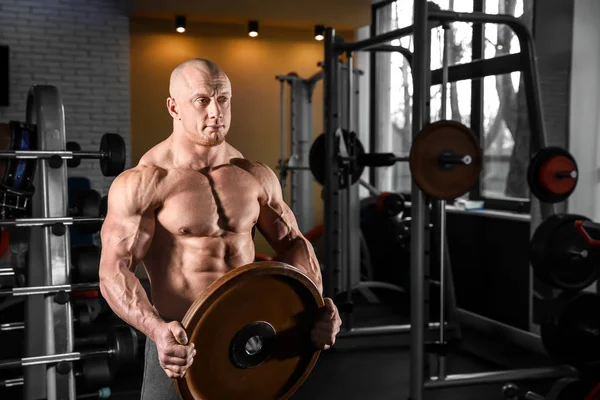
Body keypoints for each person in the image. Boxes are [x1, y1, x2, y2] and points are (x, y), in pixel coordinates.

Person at [98, 58, 342, 400]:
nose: (216, 112)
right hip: (179, 344)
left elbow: (292, 242)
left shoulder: (253, 175)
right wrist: (156, 329)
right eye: (202, 100)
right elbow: (113, 269)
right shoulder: (146, 181)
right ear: (174, 107)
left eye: (223, 99)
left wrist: (316, 304)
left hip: (251, 335)